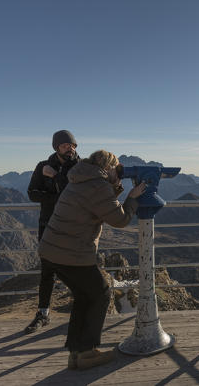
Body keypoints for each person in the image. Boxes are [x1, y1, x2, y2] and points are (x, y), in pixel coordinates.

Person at [38, 150, 146, 370]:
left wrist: (114, 184)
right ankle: (87, 352)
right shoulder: (97, 186)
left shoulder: (82, 178)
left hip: (52, 250)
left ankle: (76, 354)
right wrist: (132, 198)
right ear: (107, 168)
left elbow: (101, 204)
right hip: (71, 252)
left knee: (84, 297)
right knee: (101, 293)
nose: (119, 173)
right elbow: (120, 219)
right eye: (117, 169)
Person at [25, 130, 80, 334]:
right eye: (66, 145)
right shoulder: (42, 167)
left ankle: (80, 311)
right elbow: (32, 193)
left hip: (73, 225)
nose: (71, 148)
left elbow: (75, 194)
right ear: (57, 147)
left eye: (73, 145)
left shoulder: (80, 167)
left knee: (76, 268)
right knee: (47, 270)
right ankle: (43, 314)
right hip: (48, 224)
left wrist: (55, 177)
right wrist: (56, 198)